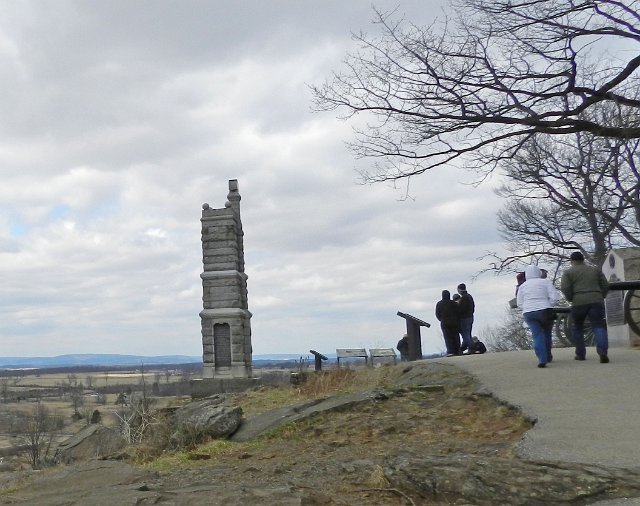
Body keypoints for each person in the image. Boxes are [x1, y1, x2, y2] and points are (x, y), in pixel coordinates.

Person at [560, 251, 610, 363]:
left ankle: (580, 354)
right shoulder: (595, 270)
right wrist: (601, 295)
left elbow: (565, 288)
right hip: (596, 300)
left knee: (577, 327)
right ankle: (602, 352)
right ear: (583, 259)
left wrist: (571, 298)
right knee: (598, 326)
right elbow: (605, 285)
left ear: (572, 261)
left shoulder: (568, 272)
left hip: (579, 302)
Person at [516, 264, 561, 368]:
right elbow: (554, 297)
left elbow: (519, 303)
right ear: (538, 273)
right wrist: (549, 304)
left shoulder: (523, 286)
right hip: (545, 310)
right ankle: (548, 355)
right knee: (547, 333)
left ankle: (542, 358)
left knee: (536, 335)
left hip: (529, 312)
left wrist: (526, 307)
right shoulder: (545, 282)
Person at [435, 290, 461, 356]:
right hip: (454, 322)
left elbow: (437, 314)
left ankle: (450, 351)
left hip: (444, 323)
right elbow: (458, 312)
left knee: (447, 337)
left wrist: (441, 319)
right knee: (456, 336)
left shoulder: (439, 304)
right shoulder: (453, 303)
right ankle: (457, 350)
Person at [456, 283, 475, 352]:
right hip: (470, 317)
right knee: (468, 333)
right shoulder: (469, 296)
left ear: (460, 290)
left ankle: (471, 348)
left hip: (464, 318)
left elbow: (462, 309)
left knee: (466, 334)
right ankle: (463, 348)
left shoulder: (464, 298)